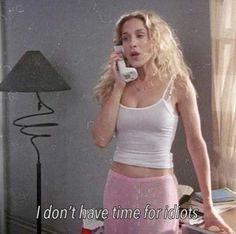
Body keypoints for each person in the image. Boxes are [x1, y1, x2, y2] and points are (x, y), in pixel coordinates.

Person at [91, 10, 233, 234]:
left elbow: (196, 144)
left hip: (158, 191)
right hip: (118, 187)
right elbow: (100, 139)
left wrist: (209, 206)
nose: (132, 44)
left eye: (140, 35)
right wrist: (118, 85)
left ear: (155, 40)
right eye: (125, 38)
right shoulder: (116, 86)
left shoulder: (178, 83)